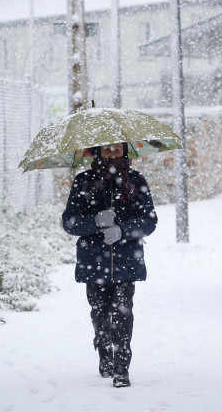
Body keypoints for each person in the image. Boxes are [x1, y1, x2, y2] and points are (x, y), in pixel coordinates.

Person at [61, 142, 158, 388]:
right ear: (97, 153)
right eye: (107, 150)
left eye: (117, 149)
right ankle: (104, 350)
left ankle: (122, 368)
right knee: (100, 312)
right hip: (94, 261)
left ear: (125, 151)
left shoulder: (135, 181)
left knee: (123, 313)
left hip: (126, 261)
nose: (113, 154)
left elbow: (149, 220)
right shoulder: (84, 182)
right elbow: (70, 223)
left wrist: (122, 230)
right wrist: (95, 220)